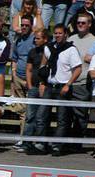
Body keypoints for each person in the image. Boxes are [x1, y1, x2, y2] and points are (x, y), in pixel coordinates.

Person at [28, 24, 82, 155]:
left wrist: (68, 84)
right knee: (41, 116)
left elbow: (78, 69)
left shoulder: (71, 50)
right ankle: (41, 144)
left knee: (62, 118)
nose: (57, 35)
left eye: (60, 33)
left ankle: (57, 146)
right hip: (49, 86)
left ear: (65, 34)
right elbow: (43, 66)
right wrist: (42, 82)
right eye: (56, 33)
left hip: (62, 87)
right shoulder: (49, 47)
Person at [66, 11, 95, 149]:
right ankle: (65, 142)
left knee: (81, 115)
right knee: (66, 114)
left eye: (83, 23)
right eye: (78, 22)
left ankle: (76, 143)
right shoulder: (71, 39)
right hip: (68, 83)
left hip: (83, 83)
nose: (80, 25)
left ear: (89, 24)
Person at [19, 27, 48, 153]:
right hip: (33, 88)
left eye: (38, 38)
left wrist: (44, 84)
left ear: (45, 39)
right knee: (30, 116)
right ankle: (26, 142)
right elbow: (29, 69)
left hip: (45, 88)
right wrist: (30, 85)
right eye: (35, 38)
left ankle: (40, 143)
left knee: (41, 117)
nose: (35, 40)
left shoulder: (49, 52)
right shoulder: (32, 52)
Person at [9, 15, 34, 147]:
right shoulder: (17, 40)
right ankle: (22, 137)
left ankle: (30, 139)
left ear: (31, 26)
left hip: (31, 79)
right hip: (18, 77)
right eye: (22, 25)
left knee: (31, 111)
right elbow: (14, 58)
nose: (24, 27)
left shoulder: (35, 39)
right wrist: (14, 75)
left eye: (26, 25)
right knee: (22, 111)